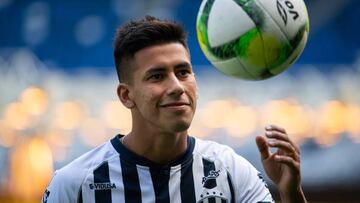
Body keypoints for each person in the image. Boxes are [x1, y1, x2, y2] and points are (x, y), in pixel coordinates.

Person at [42, 15, 307, 203]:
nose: (177, 86)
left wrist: (291, 194)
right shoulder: (75, 184)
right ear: (126, 95)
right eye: (157, 76)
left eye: (183, 72)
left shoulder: (231, 171)